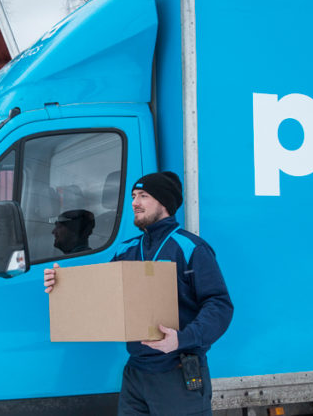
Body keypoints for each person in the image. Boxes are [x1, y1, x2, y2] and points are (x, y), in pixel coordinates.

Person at [44, 171, 233, 415]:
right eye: (134, 196)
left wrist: (182, 338)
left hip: (177, 372)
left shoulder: (190, 248)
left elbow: (219, 305)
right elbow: (100, 294)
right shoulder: (127, 250)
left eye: (143, 196)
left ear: (164, 202)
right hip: (136, 374)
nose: (134, 203)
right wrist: (62, 284)